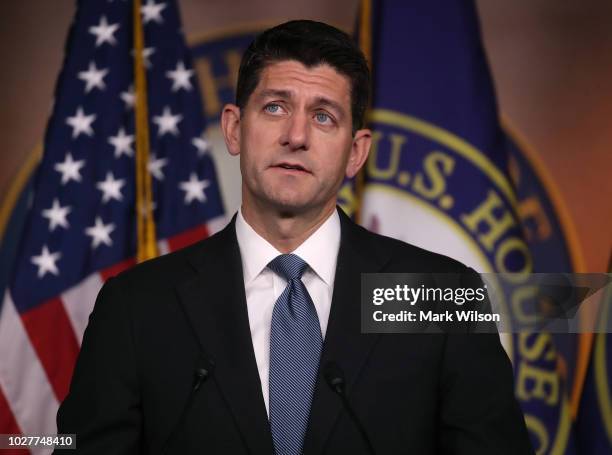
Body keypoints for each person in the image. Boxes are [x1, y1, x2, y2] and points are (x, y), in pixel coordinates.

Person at [56, 20, 533, 454]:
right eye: (276, 107)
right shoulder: (136, 306)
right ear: (235, 128)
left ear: (355, 152)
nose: (296, 135)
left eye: (324, 116)